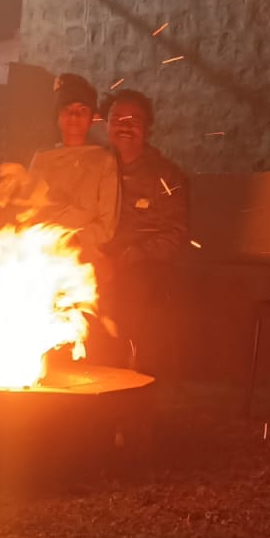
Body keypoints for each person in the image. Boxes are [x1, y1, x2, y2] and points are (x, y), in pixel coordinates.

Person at [96, 89, 191, 373]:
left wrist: (127, 258)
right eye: (117, 120)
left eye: (133, 121)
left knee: (135, 293)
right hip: (95, 262)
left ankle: (133, 372)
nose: (124, 127)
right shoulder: (93, 167)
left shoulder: (165, 176)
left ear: (147, 127)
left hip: (143, 271)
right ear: (106, 125)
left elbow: (175, 233)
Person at [26, 73, 120, 259]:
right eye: (67, 109)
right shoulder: (43, 158)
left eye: (82, 110)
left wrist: (74, 240)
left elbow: (107, 224)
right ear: (58, 117)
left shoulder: (104, 161)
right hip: (42, 253)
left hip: (83, 259)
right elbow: (26, 210)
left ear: (92, 118)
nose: (74, 115)